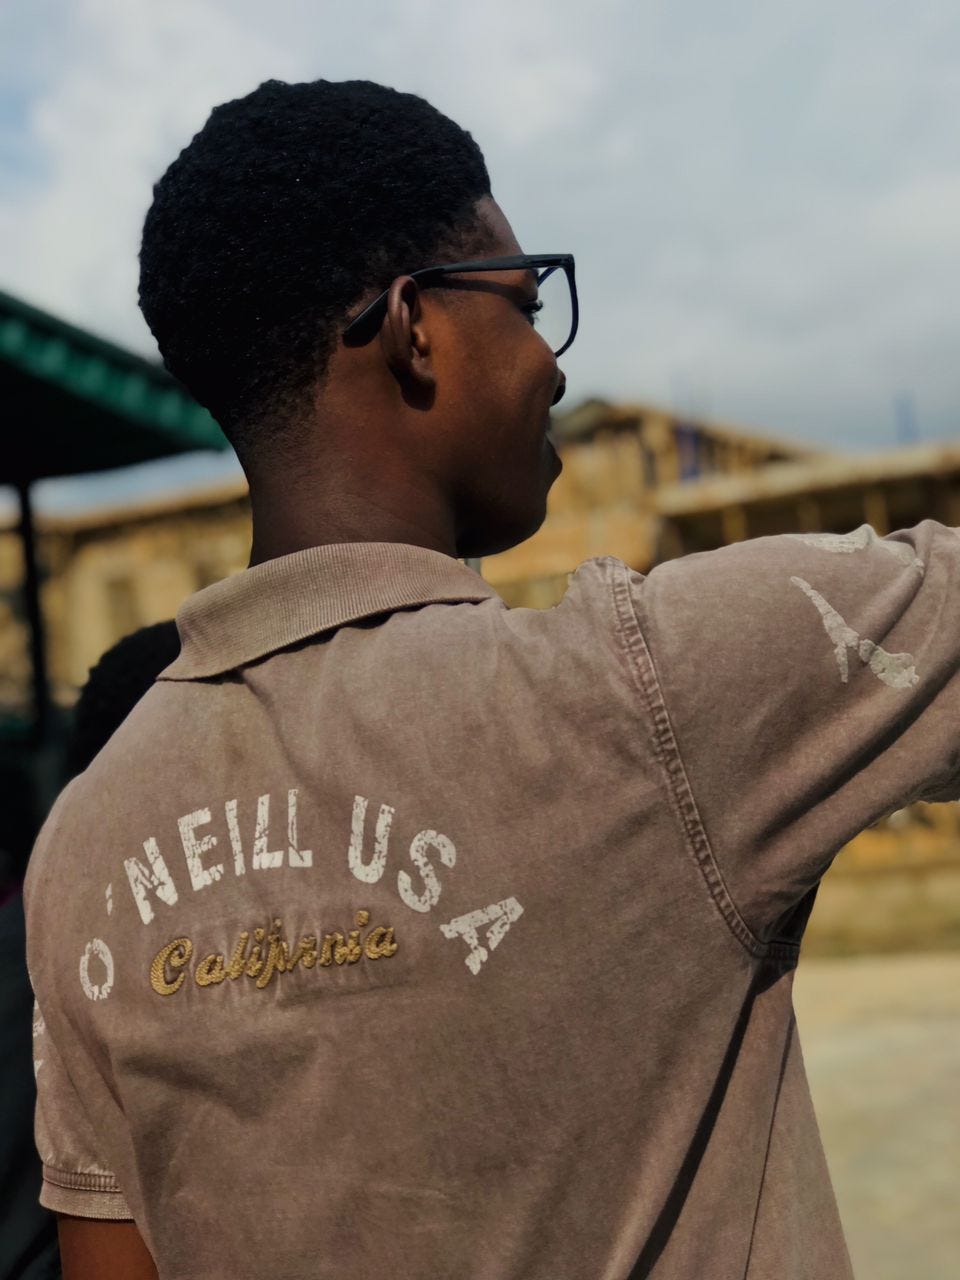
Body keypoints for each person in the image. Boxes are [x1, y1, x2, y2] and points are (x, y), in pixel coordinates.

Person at [22, 78, 959, 1280]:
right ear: (414, 324)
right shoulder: (649, 688)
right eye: (526, 303)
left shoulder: (86, 846)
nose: (551, 366)